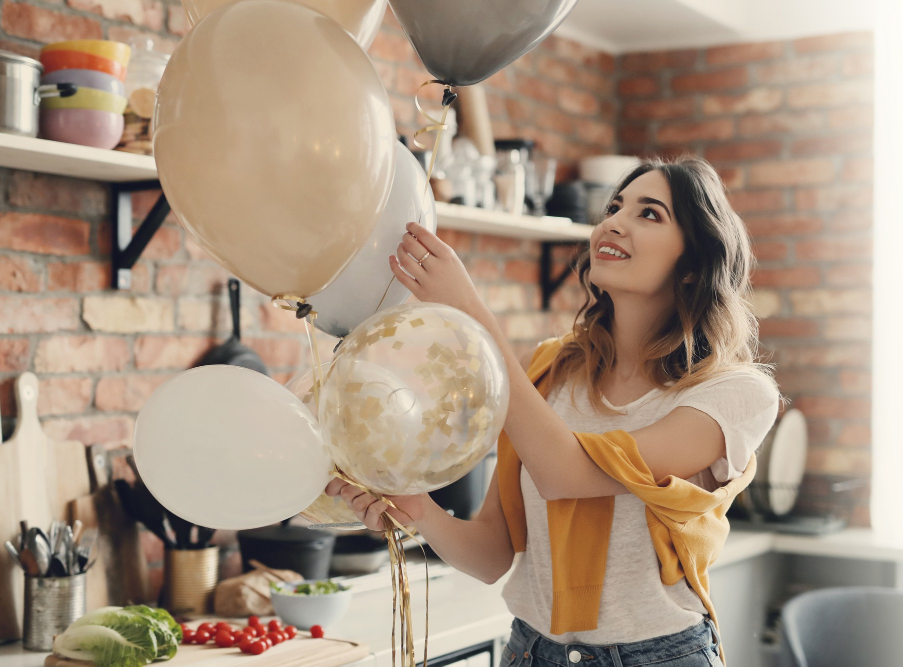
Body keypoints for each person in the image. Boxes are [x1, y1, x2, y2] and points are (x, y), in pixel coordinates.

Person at [325, 156, 782, 667]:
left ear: (695, 265)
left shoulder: (733, 395)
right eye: (615, 206)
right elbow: (491, 555)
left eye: (649, 214)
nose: (614, 221)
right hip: (530, 652)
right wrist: (419, 510)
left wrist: (473, 316)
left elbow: (567, 473)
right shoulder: (547, 372)